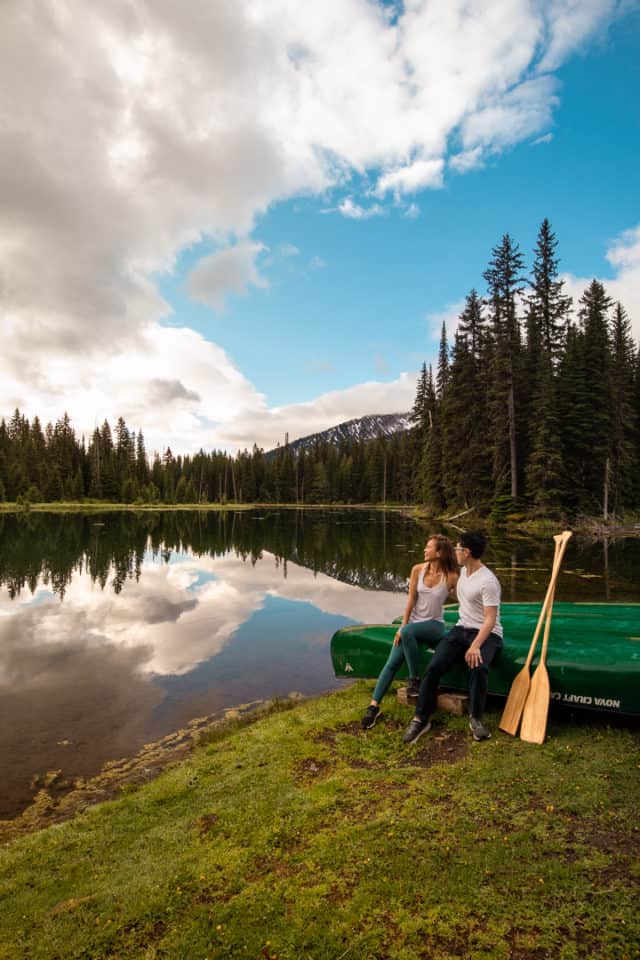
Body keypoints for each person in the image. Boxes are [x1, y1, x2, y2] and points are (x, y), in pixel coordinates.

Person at [402, 530, 502, 744]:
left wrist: (475, 646)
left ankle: (475, 719)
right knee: (434, 665)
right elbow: (453, 593)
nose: (455, 551)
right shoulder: (462, 573)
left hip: (487, 633)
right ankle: (421, 718)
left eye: (458, 548)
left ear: (466, 552)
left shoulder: (488, 581)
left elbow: (490, 619)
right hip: (461, 628)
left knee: (479, 666)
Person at [361, 534, 458, 730]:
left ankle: (414, 682)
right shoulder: (417, 570)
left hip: (434, 626)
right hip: (413, 626)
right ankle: (374, 707)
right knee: (391, 663)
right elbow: (411, 600)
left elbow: (464, 598)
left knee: (408, 634)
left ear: (439, 553)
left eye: (428, 547)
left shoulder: (451, 576)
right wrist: (402, 627)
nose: (424, 550)